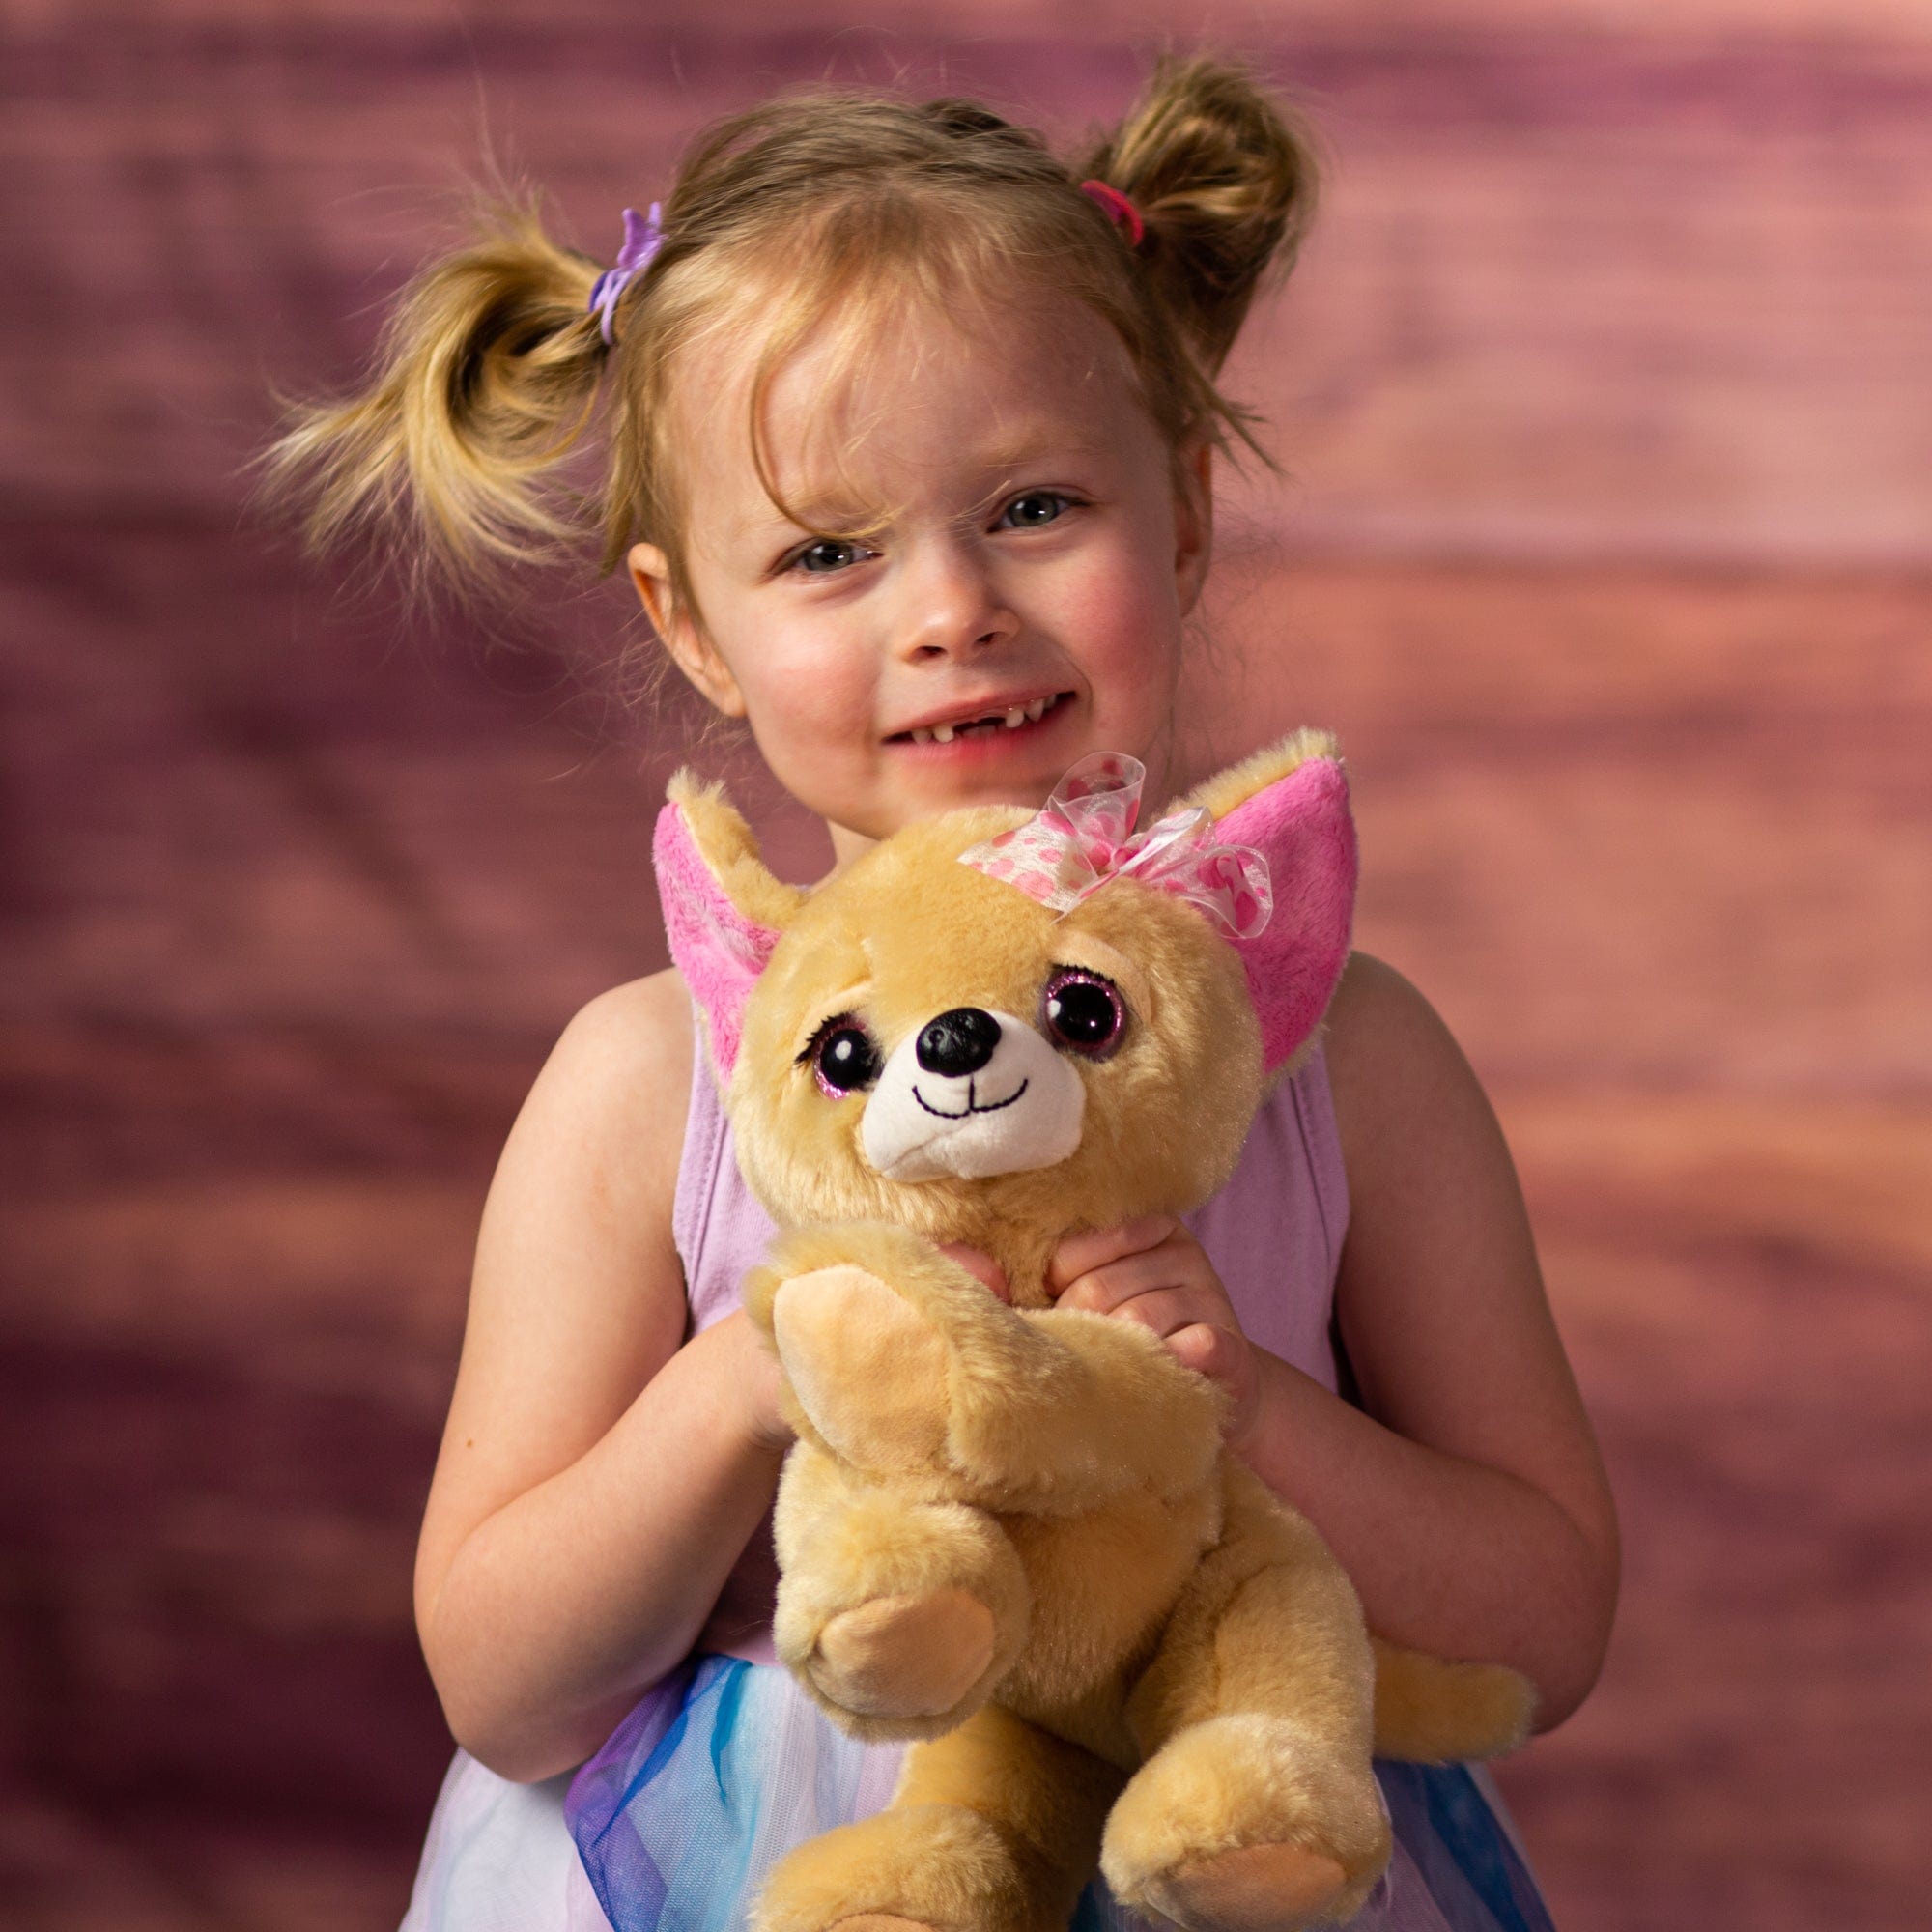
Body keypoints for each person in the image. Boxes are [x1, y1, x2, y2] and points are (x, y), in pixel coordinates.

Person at [270, 55, 1619, 1932]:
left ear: (1187, 518)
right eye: (826, 552)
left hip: (1228, 1831)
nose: (948, 609)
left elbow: (1545, 1626)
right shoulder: (645, 1080)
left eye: (1036, 505)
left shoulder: (1348, 1060)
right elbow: (505, 1688)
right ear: (689, 625)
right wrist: (758, 1366)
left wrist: (1237, 1410)